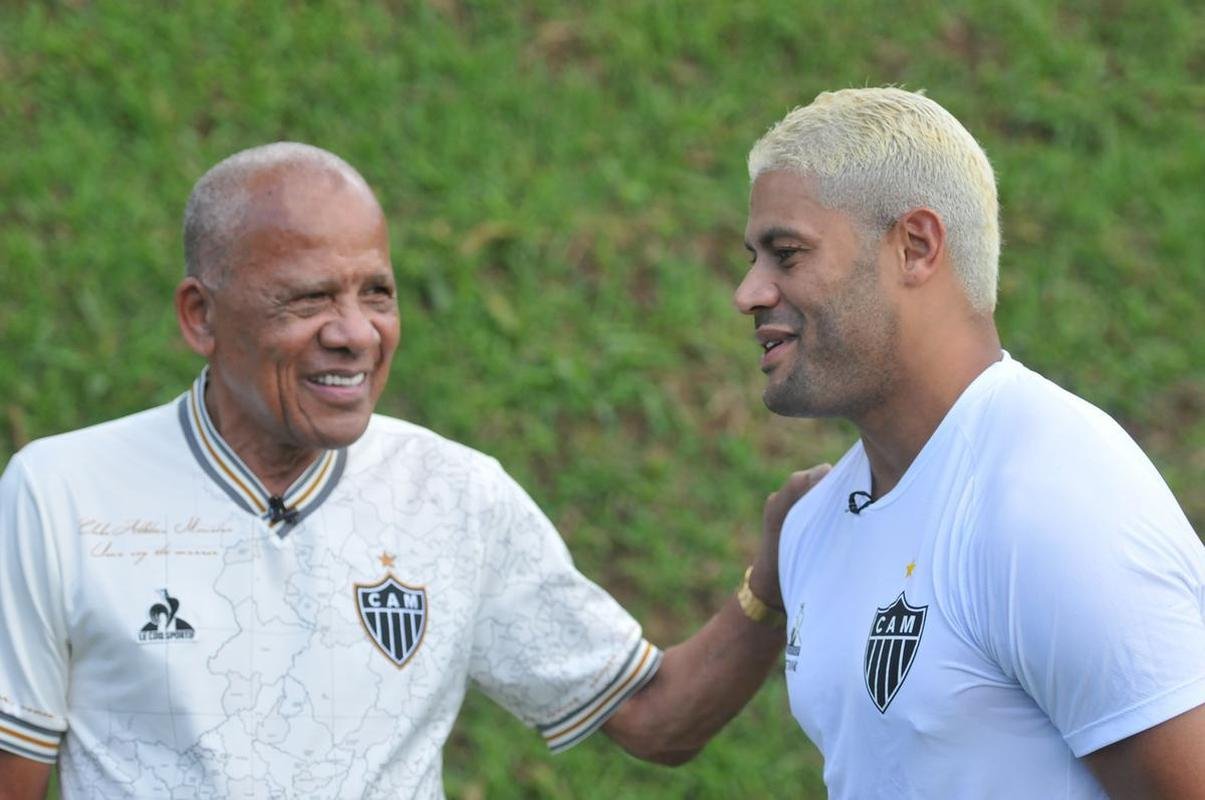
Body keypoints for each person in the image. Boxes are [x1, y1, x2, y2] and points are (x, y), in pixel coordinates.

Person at [0, 142, 819, 799]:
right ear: (200, 316)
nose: (355, 333)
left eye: (377, 293)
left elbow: (652, 718)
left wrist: (770, 582)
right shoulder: (61, 496)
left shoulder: (456, 497)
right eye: (307, 299)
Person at [734, 87, 1205, 799]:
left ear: (915, 247)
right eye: (752, 258)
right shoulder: (814, 524)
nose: (748, 292)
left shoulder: (1050, 503)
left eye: (786, 254)